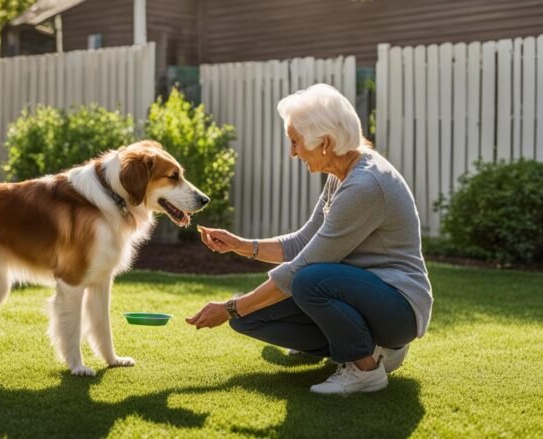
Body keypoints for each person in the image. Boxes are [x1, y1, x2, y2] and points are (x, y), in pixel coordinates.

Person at [185, 84, 433, 395]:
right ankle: (364, 346)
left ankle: (366, 368)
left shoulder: (365, 185)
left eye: (295, 142)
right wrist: (240, 245)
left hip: (398, 309)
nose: (292, 152)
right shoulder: (340, 175)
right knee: (247, 319)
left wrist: (230, 307)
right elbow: (304, 242)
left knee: (307, 280)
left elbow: (306, 264)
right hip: (359, 297)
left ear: (325, 143)